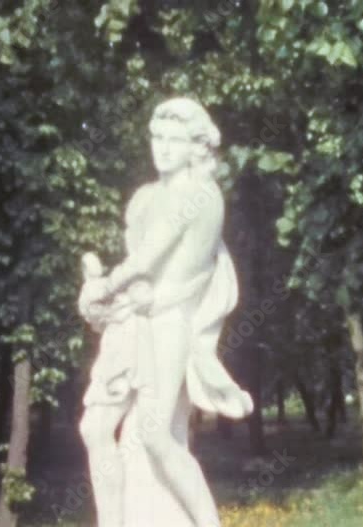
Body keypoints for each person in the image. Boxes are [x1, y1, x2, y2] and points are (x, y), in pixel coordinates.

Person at [77, 97, 253, 527]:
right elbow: (136, 273)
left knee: (155, 436)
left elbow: (146, 260)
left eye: (174, 140)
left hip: (169, 324)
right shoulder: (143, 197)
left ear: (196, 147)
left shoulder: (200, 195)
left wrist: (106, 285)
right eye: (157, 137)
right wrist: (99, 297)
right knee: (95, 429)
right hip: (131, 321)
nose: (163, 148)